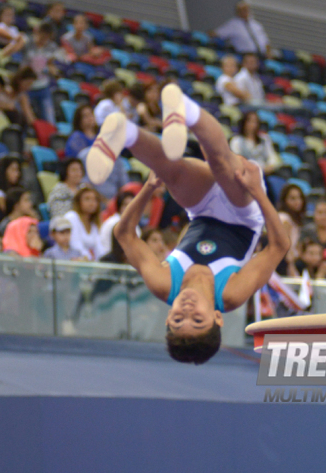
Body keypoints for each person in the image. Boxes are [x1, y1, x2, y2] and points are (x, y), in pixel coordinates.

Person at [87, 83, 290, 364]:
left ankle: (126, 131)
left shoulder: (164, 283)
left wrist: (147, 189)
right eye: (197, 318)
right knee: (222, 164)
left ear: (168, 316)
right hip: (244, 213)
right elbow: (279, 246)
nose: (187, 308)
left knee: (171, 172)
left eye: (178, 317)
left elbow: (124, 235)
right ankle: (186, 109)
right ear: (217, 317)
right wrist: (257, 192)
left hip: (201, 209)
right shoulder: (231, 293)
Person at [23, 21, 63, 123]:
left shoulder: (51, 47)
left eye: (46, 38)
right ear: (37, 32)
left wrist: (55, 72)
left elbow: (50, 64)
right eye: (42, 36)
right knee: (24, 117)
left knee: (49, 118)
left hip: (43, 86)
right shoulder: (27, 43)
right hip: (27, 87)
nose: (43, 40)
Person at [229, 111, 280, 175]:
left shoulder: (264, 139)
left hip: (264, 172)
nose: (253, 125)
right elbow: (236, 160)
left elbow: (272, 156)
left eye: (255, 122)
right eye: (250, 121)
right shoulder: (237, 141)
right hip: (245, 173)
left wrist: (269, 167)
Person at [64, 186, 106, 260]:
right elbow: (75, 245)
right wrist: (89, 259)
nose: (91, 203)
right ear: (78, 202)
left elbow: (99, 247)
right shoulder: (71, 217)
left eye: (95, 200)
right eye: (87, 199)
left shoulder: (94, 223)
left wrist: (104, 261)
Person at [99, 190, 139, 255]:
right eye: (125, 204)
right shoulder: (111, 223)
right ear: (119, 207)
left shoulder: (136, 227)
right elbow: (104, 247)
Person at [277, 183, 306, 262]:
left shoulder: (294, 220)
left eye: (299, 198)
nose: (298, 201)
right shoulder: (285, 219)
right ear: (285, 200)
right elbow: (284, 248)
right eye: (293, 198)